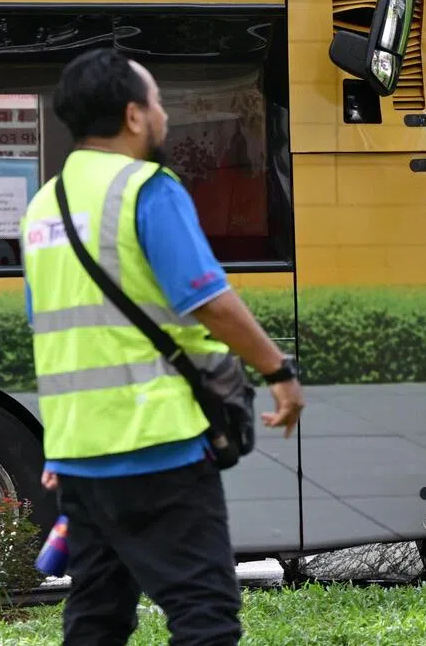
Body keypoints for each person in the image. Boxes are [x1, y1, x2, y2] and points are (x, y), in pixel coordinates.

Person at [21, 48, 304, 646]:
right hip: (157, 446)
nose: (164, 116)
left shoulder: (43, 206)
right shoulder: (146, 189)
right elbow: (210, 300)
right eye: (156, 103)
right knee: (205, 613)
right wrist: (277, 370)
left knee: (97, 614)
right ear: (132, 116)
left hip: (78, 454)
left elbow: (50, 331)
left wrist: (59, 442)